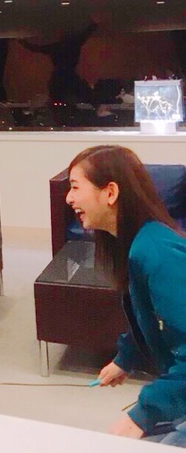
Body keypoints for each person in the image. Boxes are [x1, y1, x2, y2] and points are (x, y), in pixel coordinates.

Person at [64, 145, 186, 443]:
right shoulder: (137, 244)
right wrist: (126, 357)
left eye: (75, 187)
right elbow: (150, 316)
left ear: (110, 193)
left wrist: (143, 414)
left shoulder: (157, 253)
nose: (69, 198)